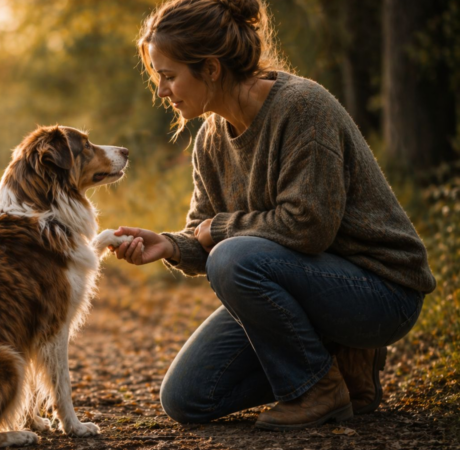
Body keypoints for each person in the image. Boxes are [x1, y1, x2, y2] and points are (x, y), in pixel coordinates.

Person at [109, 0, 436, 431]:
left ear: (210, 68)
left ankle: (317, 390)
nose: (162, 91)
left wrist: (219, 231)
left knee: (232, 258)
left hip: (380, 292)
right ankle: (338, 360)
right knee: (186, 398)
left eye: (168, 76)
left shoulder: (303, 107)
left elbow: (307, 227)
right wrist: (171, 244)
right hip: (306, 287)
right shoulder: (210, 140)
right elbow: (203, 231)